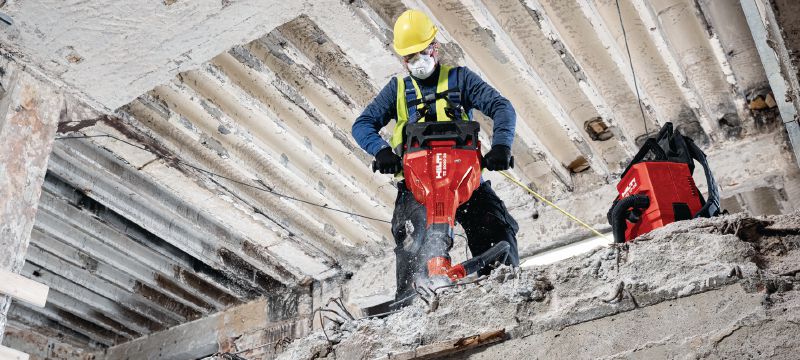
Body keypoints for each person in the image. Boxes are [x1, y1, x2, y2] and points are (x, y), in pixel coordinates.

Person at [351, 9, 520, 305]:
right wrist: (381, 152)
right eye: (409, 57)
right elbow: (362, 124)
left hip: (467, 182)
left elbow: (501, 107)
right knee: (412, 243)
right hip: (418, 187)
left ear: (434, 48)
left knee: (496, 228)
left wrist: (502, 146)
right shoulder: (398, 90)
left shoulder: (461, 80)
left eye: (421, 53)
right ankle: (411, 304)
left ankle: (505, 292)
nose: (417, 61)